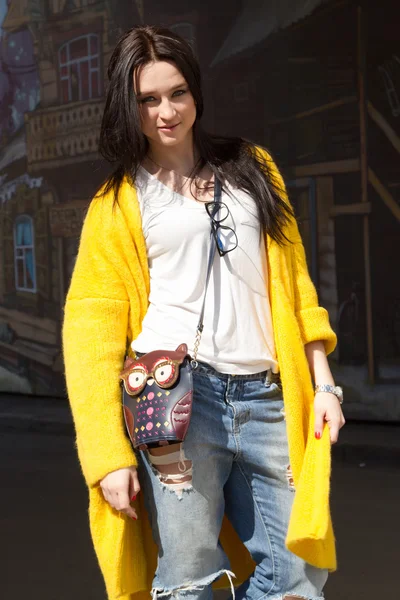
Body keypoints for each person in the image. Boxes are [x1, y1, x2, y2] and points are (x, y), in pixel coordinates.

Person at [63, 25, 345, 600]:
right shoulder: (117, 202)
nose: (166, 111)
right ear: (128, 104)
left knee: (296, 570)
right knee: (189, 572)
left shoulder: (252, 167)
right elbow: (89, 332)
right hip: (176, 405)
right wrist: (105, 455)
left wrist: (324, 386)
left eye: (178, 93)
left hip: (267, 396)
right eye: (148, 99)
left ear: (196, 93)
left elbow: (296, 288)